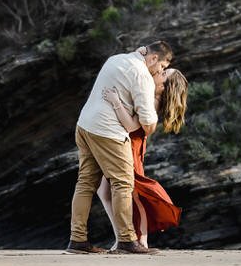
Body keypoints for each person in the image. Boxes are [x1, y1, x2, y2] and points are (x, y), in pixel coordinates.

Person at [67, 41, 173, 255]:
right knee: (123, 184)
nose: (160, 71)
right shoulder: (142, 75)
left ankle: (77, 240)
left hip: (84, 125)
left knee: (86, 183)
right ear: (152, 58)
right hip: (108, 132)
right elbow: (149, 124)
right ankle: (126, 240)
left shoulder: (115, 59)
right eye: (161, 66)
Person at [98, 65, 188, 251]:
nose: (159, 73)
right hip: (123, 143)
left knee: (136, 194)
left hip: (130, 148)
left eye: (164, 73)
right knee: (104, 192)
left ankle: (141, 241)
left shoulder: (153, 102)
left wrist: (116, 102)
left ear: (166, 86)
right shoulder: (148, 94)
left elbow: (131, 126)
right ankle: (122, 239)